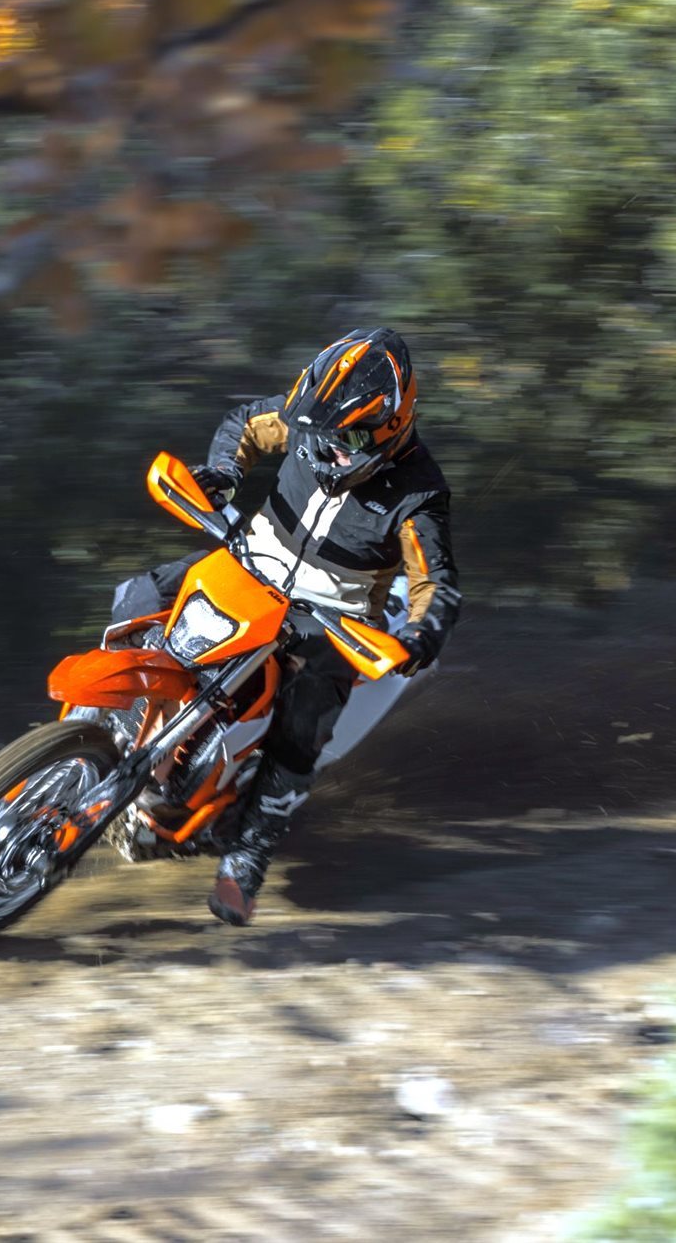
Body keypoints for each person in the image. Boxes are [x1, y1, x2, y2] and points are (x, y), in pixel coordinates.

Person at [109, 328, 462, 926]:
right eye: (318, 431)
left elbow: (434, 581)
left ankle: (247, 856)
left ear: (393, 424)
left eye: (346, 439)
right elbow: (248, 424)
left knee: (300, 735)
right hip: (246, 564)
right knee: (133, 598)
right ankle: (95, 733)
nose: (326, 447)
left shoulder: (420, 494)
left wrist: (419, 637)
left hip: (329, 617)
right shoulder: (310, 422)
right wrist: (224, 471)